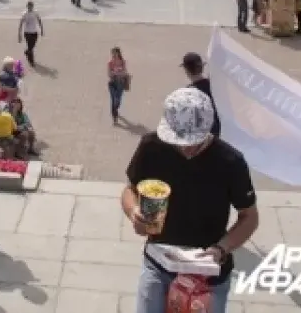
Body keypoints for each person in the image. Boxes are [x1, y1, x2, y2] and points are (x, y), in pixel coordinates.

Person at [123, 87, 259, 313]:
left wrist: (221, 249)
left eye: (193, 141)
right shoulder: (151, 147)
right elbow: (129, 190)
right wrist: (133, 212)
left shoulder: (230, 161)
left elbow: (249, 217)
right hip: (159, 262)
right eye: (178, 141)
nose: (185, 147)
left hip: (207, 273)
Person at [182, 51, 221, 138]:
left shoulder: (188, 93)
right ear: (202, 67)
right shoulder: (214, 85)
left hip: (204, 137)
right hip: (219, 132)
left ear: (186, 70)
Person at [108, 47, 129, 124]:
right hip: (112, 83)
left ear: (118, 53)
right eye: (112, 53)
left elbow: (124, 72)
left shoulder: (122, 62)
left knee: (118, 100)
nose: (113, 55)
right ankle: (115, 117)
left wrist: (116, 72)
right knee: (113, 100)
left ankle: (115, 111)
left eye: (115, 53)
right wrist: (117, 72)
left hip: (120, 83)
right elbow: (109, 74)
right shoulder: (110, 63)